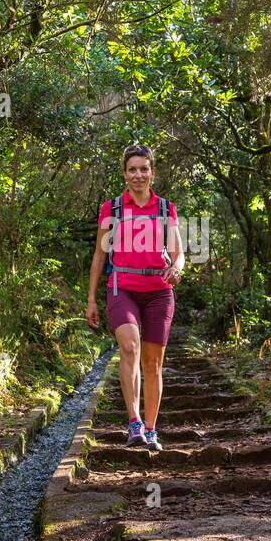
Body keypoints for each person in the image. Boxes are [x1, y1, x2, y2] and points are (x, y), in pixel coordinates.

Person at [86, 144, 184, 452]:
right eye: (132, 169)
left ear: (152, 173)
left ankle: (152, 430)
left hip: (159, 291)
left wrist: (176, 267)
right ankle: (134, 423)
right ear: (125, 174)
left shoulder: (165, 208)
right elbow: (100, 255)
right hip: (122, 287)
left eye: (144, 169)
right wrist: (91, 299)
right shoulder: (112, 209)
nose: (138, 175)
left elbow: (179, 254)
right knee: (129, 346)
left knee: (153, 363)